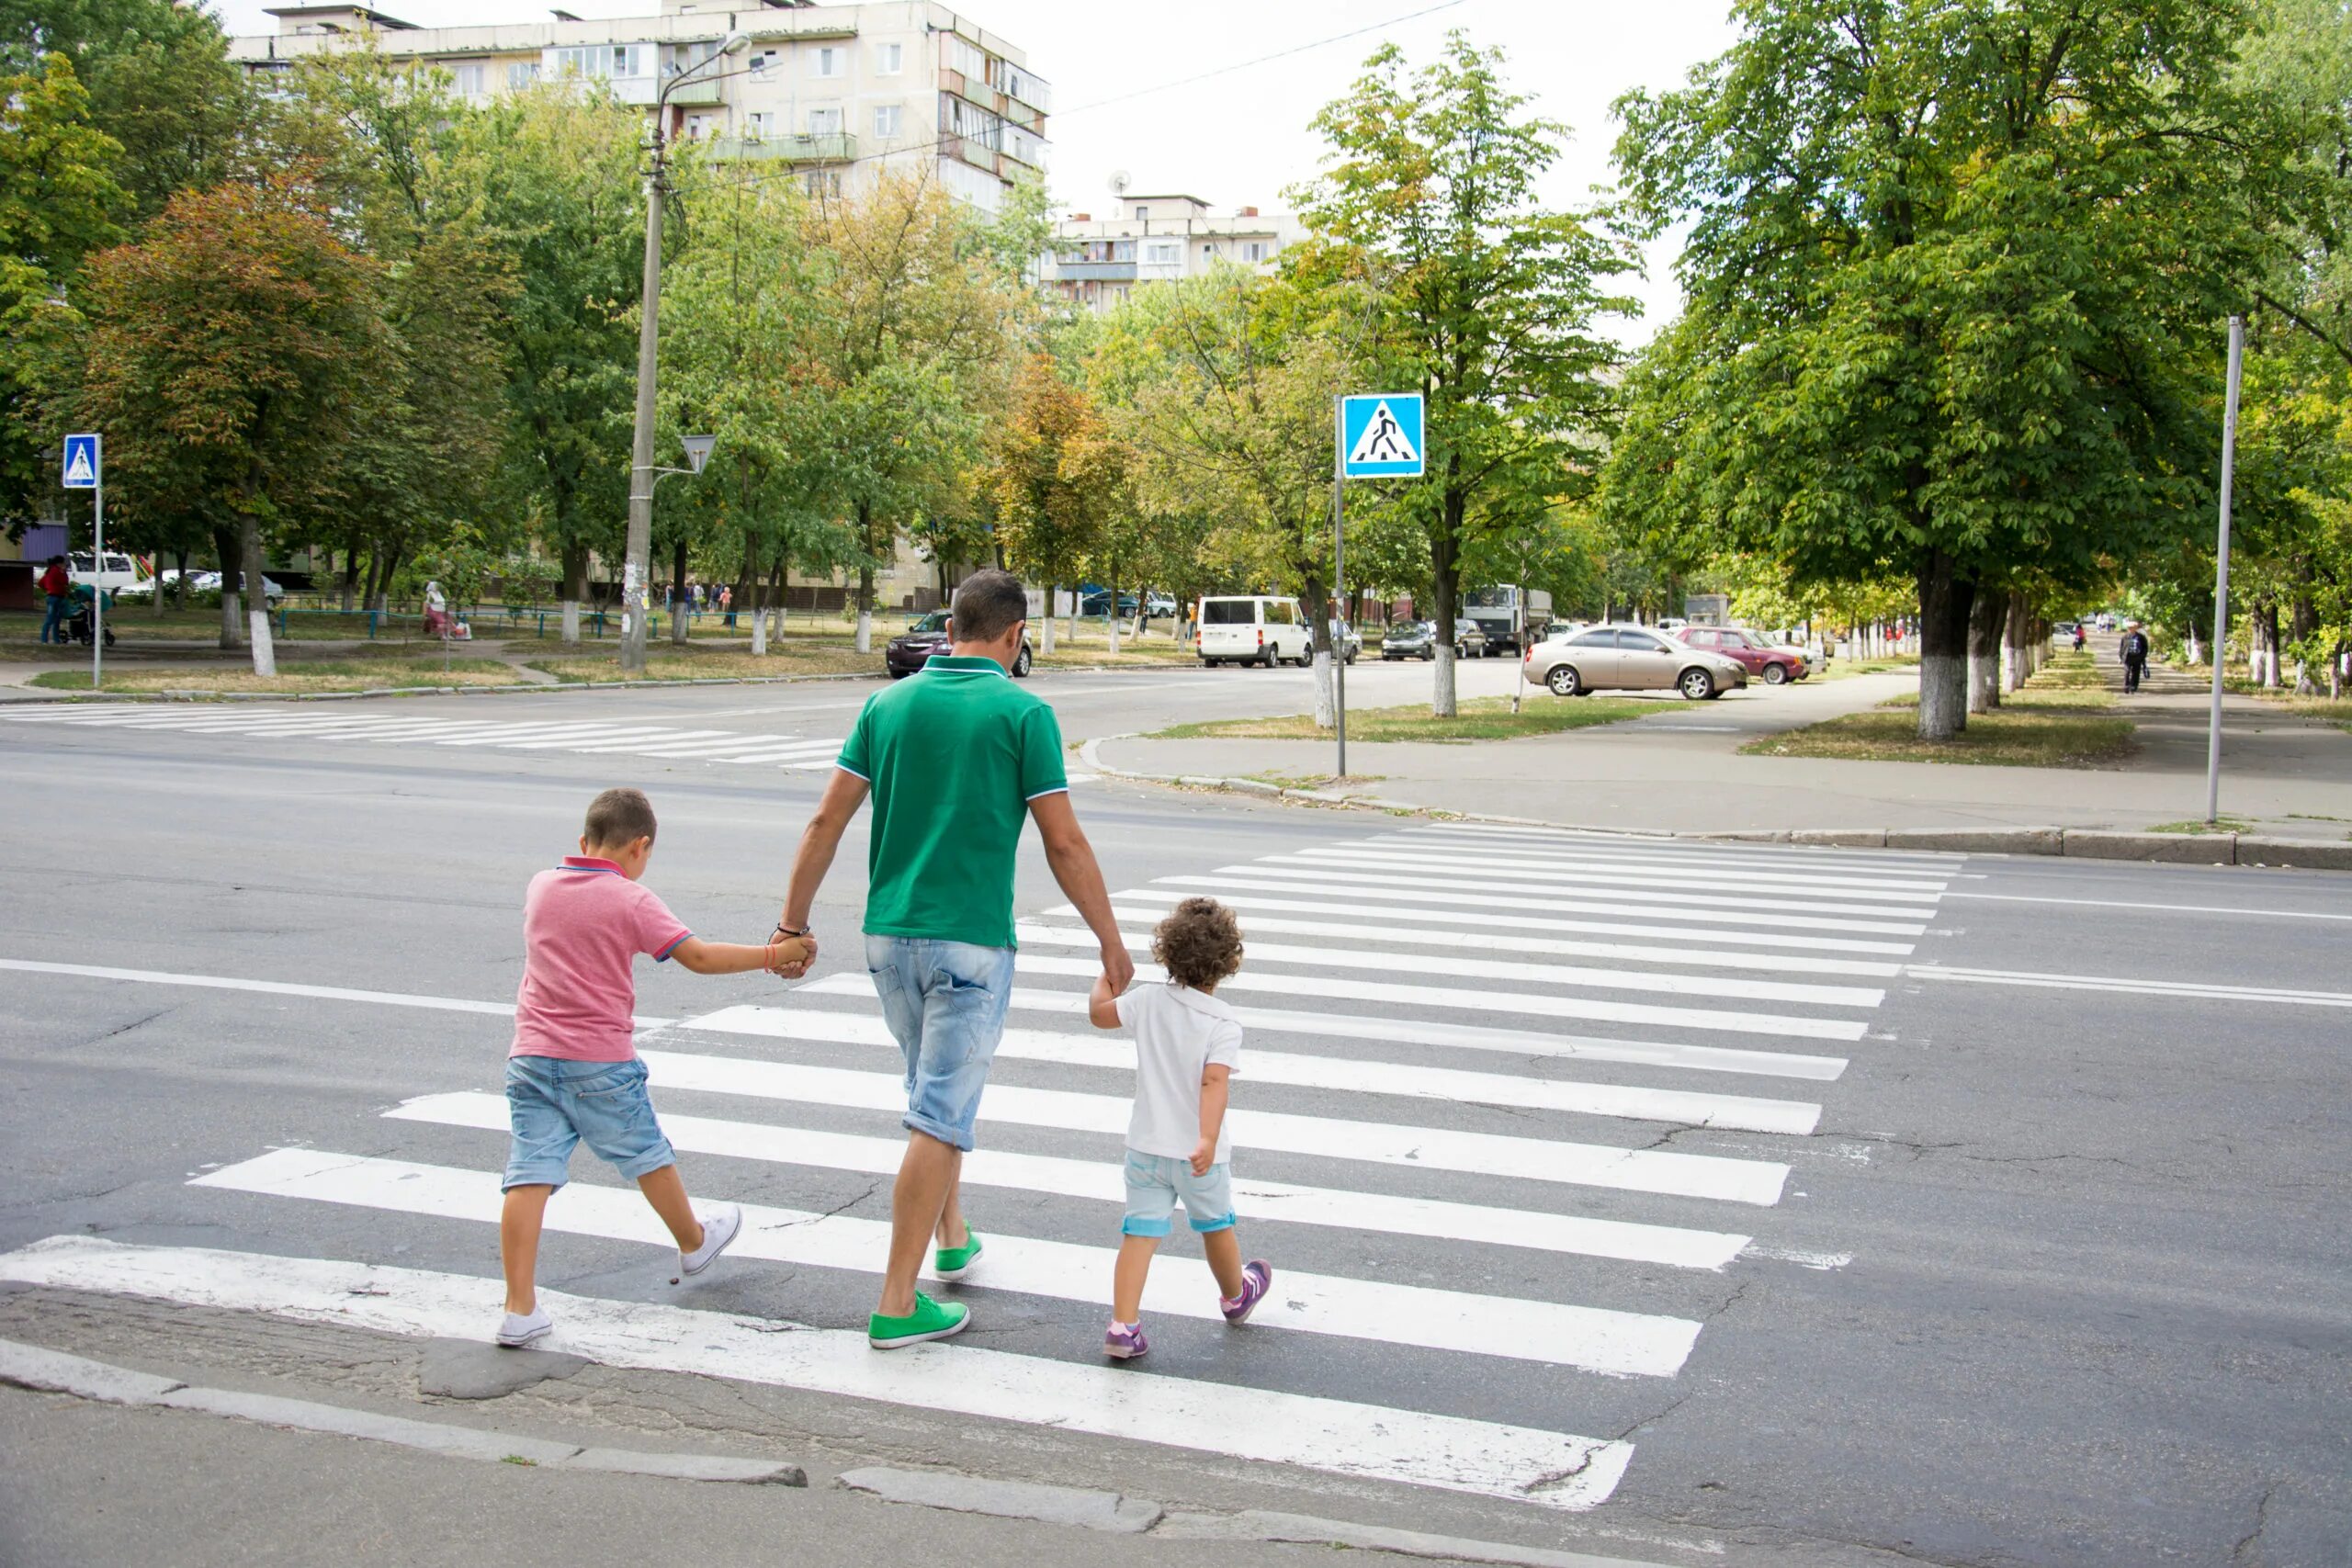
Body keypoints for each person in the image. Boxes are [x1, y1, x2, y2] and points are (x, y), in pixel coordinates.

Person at [777, 567, 1131, 1350]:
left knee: (926, 1095)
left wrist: (790, 925)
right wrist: (1110, 941)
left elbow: (823, 824)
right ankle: (897, 1303)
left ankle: (953, 1238)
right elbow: (1064, 841)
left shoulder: (886, 704)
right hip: (970, 942)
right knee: (939, 1114)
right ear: (1014, 636)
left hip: (887, 938)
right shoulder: (1023, 711)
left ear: (949, 627)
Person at [497, 786, 812, 1348]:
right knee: (647, 1154)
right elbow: (697, 956)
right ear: (641, 846)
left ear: (584, 840)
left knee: (529, 1175)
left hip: (531, 1055)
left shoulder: (542, 885)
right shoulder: (630, 900)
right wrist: (775, 955)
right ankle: (693, 1242)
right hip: (597, 1059)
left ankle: (519, 1308)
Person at [1086, 897, 1272, 1359]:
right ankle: (1236, 1295)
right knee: (1216, 1225)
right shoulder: (1222, 1022)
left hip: (1146, 1148)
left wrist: (1106, 975)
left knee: (1139, 1234)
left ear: (1165, 953)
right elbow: (1214, 1083)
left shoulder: (1147, 1000)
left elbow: (1099, 1014)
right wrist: (1207, 1138)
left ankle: (1123, 1326)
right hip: (1197, 1153)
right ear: (1228, 964)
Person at [38, 556, 70, 644]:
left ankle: (45, 639)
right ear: (59, 563)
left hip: (51, 596)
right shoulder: (57, 571)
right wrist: (64, 572)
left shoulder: (49, 571)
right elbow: (65, 582)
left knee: (50, 618)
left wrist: (47, 589)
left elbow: (40, 583)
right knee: (55, 619)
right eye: (63, 563)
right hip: (57, 597)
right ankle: (55, 639)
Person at [2120, 621, 2150, 694]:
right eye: (2129, 628)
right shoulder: (2125, 636)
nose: (2129, 629)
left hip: (2137, 657)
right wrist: (2121, 657)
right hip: (2128, 657)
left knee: (2136, 672)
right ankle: (2126, 686)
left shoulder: (2140, 637)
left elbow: (2145, 647)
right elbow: (2122, 647)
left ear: (2135, 628)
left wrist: (2142, 656)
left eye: (2131, 628)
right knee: (2127, 672)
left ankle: (2133, 686)